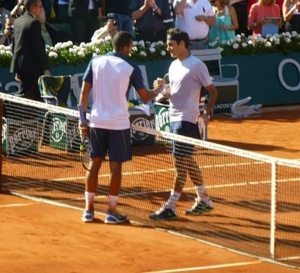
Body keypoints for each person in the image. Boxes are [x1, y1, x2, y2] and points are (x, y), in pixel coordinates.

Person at [78, 31, 165, 224]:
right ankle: (111, 211)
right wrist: (159, 90)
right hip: (118, 124)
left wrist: (82, 120)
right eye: (131, 47)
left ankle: (88, 210)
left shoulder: (95, 62)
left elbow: (84, 94)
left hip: (97, 122)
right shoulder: (131, 67)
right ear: (126, 47)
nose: (131, 50)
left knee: (94, 163)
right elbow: (145, 96)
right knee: (115, 167)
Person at [149, 28, 218, 221]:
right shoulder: (173, 66)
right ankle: (204, 199)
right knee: (187, 161)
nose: (168, 48)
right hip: (174, 119)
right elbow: (174, 93)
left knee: (179, 164)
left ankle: (171, 205)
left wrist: (206, 113)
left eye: (171, 44)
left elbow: (213, 91)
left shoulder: (197, 65)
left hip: (187, 121)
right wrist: (162, 88)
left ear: (182, 44)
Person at [10, 0, 50, 101]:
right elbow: (38, 48)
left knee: (29, 96)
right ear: (32, 7)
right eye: (40, 7)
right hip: (32, 68)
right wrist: (45, 69)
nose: (41, 10)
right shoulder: (34, 23)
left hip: (22, 67)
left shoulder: (18, 21)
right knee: (31, 98)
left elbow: (14, 46)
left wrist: (17, 69)